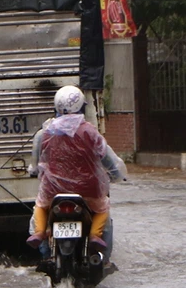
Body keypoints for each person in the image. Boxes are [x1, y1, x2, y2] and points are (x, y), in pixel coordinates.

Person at [27, 86, 127, 252]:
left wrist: (34, 172)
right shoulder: (91, 132)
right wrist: (117, 175)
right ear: (82, 107)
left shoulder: (44, 133)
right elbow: (109, 160)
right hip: (89, 191)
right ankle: (98, 245)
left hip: (53, 191)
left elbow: (35, 165)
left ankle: (41, 242)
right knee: (103, 210)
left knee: (40, 207)